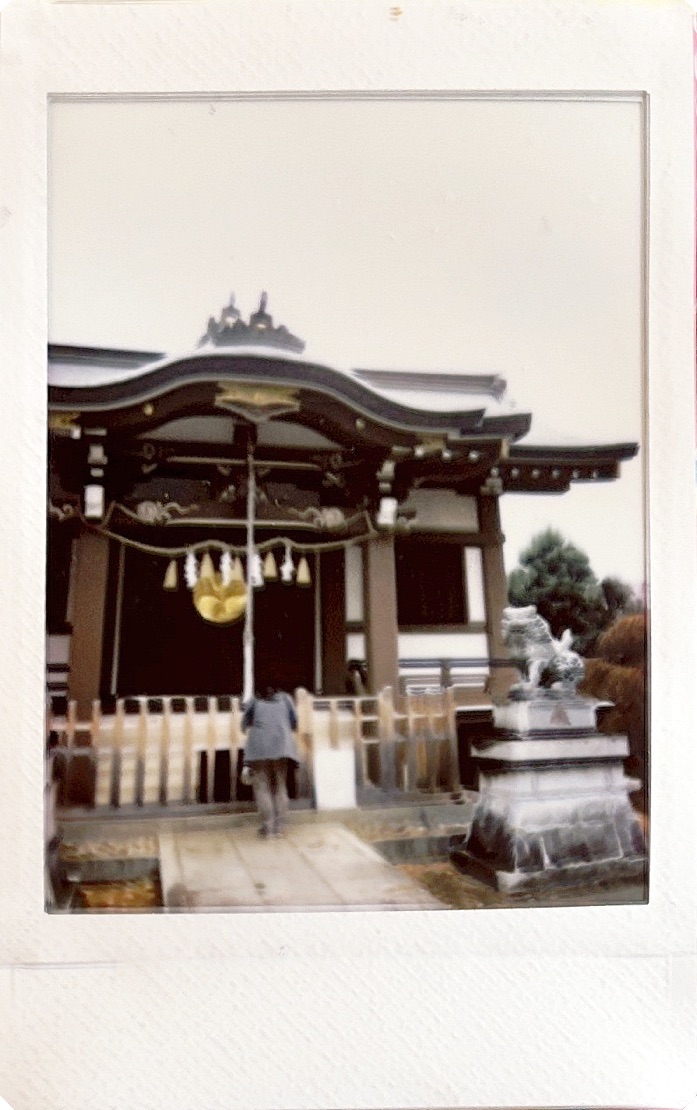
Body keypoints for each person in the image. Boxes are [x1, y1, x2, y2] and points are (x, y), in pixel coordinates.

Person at [242, 686, 299, 838]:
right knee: (280, 785)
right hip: (281, 745)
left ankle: (267, 828)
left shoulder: (254, 700)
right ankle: (279, 828)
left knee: (262, 787)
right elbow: (294, 722)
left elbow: (244, 723)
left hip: (259, 747)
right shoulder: (286, 699)